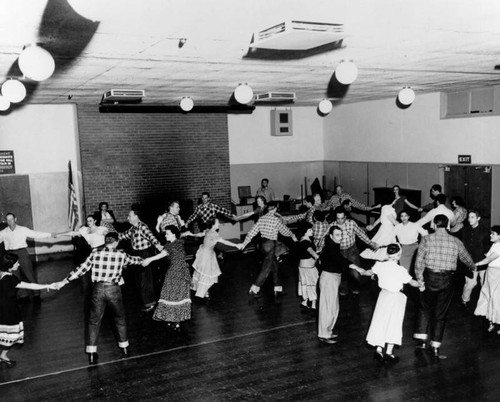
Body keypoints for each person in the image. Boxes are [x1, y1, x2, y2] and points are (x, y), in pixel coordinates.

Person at [53, 232, 145, 365]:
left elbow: (81, 269)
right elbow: (135, 260)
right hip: (114, 289)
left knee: (94, 321)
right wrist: (145, 260)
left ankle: (91, 353)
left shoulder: (95, 254)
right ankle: (124, 348)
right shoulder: (121, 255)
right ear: (116, 242)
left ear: (105, 241)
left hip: (98, 290)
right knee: (120, 319)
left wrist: (64, 281)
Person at [413, 215, 475, 359]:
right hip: (448, 279)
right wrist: (473, 267)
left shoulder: (426, 239)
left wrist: (420, 280)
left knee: (424, 308)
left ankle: (422, 342)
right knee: (440, 313)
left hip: (430, 277)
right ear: (447, 226)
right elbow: (467, 259)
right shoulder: (456, 241)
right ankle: (435, 347)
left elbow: (419, 262)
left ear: (434, 225)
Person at [353, 244, 421, 363]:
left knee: (381, 322)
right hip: (396, 298)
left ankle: (379, 351)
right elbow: (412, 283)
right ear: (398, 255)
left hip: (383, 296)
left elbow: (367, 273)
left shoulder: (379, 265)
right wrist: (422, 283)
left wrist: (359, 269)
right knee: (394, 323)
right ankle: (389, 353)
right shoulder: (401, 270)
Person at [0, 253, 55, 367]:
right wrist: (48, 285)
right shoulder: (10, 278)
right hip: (8, 311)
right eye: (16, 263)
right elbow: (29, 286)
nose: (19, 264)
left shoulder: (2, 275)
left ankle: (3, 356)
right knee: (11, 335)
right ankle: (3, 356)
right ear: (10, 265)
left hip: (4, 309)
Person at [237, 201, 298, 298]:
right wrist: (293, 235)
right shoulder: (275, 219)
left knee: (275, 266)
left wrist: (244, 244)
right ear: (275, 209)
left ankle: (278, 289)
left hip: (263, 245)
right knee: (266, 268)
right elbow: (284, 230)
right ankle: (254, 289)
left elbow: (251, 232)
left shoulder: (261, 219)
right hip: (271, 245)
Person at [143, 226, 192, 331]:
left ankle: (174, 320)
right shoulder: (179, 242)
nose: (165, 235)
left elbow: (162, 254)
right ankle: (175, 320)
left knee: (171, 295)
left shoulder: (171, 245)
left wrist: (149, 259)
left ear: (173, 234)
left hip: (175, 273)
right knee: (178, 296)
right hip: (182, 271)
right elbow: (165, 248)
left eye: (167, 233)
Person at [317, 226, 359, 344]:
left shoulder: (333, 246)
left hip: (334, 278)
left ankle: (328, 331)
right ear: (331, 236)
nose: (340, 238)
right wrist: (358, 269)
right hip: (329, 278)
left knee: (333, 307)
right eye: (337, 235)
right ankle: (324, 334)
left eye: (341, 235)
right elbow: (342, 260)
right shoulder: (331, 247)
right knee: (328, 308)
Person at [0, 213, 55, 303]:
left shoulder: (22, 229)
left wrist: (50, 234)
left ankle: (36, 294)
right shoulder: (3, 232)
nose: (10, 222)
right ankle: (22, 295)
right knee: (15, 276)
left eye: (12, 219)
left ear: (15, 219)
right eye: (8, 220)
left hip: (22, 253)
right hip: (11, 255)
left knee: (29, 274)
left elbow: (36, 234)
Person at [118, 208, 163, 312]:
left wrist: (160, 247)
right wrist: (112, 236)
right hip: (136, 254)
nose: (127, 218)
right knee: (139, 280)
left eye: (129, 216)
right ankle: (146, 301)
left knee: (145, 280)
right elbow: (123, 235)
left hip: (144, 254)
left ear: (136, 217)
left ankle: (150, 303)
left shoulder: (142, 226)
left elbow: (152, 238)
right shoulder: (133, 228)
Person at [332, 207, 379, 295]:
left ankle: (355, 287)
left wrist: (370, 243)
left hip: (351, 250)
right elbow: (326, 239)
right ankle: (343, 288)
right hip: (339, 252)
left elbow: (361, 233)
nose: (340, 221)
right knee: (342, 272)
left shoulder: (351, 223)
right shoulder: (332, 225)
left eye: (342, 218)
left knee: (355, 272)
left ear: (345, 217)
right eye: (338, 218)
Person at [190, 218, 240, 300]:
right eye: (217, 223)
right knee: (206, 274)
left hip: (205, 252)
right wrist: (236, 245)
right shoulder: (213, 233)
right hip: (206, 255)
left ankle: (203, 291)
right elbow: (224, 242)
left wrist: (191, 234)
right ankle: (203, 293)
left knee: (202, 272)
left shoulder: (208, 230)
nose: (219, 224)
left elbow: (200, 234)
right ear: (213, 224)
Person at [461, 210, 491, 308]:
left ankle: (485, 304)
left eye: (472, 217)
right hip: (470, 262)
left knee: (484, 283)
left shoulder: (485, 231)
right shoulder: (465, 230)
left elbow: (488, 247)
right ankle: (465, 301)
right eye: (469, 217)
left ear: (478, 218)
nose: (470, 219)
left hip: (483, 262)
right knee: (470, 284)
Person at [474, 226, 500, 333]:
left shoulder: (499, 246)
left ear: (499, 236)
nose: (490, 235)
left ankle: (498, 323)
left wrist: (477, 264)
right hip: (490, 272)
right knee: (488, 295)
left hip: (497, 273)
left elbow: (490, 259)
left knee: (496, 297)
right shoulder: (494, 245)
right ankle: (491, 322)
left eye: (493, 234)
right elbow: (488, 256)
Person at [297, 222, 320, 312]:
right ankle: (314, 306)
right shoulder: (306, 242)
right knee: (313, 284)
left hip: (304, 267)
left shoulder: (304, 239)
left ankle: (304, 302)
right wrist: (318, 256)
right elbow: (311, 251)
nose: (312, 231)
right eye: (310, 230)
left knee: (306, 284)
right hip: (308, 268)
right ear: (305, 231)